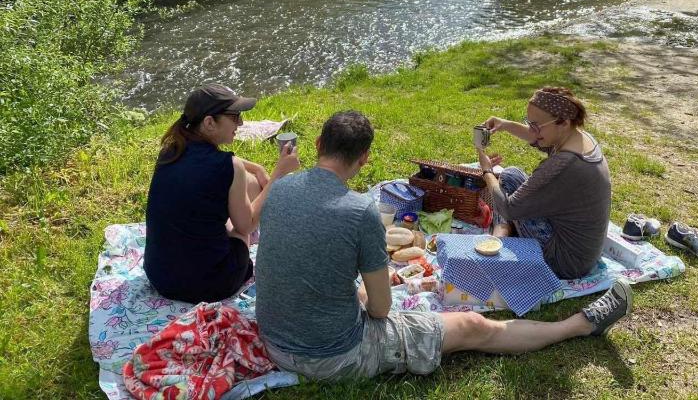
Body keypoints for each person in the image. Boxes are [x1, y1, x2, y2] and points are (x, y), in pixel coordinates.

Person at [256, 110, 632, 381]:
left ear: (318, 144)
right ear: (365, 158)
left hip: (274, 338)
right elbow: (381, 309)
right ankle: (580, 325)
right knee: (472, 325)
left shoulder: (281, 188)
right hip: (331, 357)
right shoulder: (359, 212)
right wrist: (368, 295)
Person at [144, 83, 299, 303]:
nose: (241, 123)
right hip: (212, 285)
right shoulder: (228, 166)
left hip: (161, 277)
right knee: (241, 225)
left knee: (246, 184)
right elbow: (246, 226)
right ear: (209, 123)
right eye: (235, 117)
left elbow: (231, 163)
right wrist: (278, 174)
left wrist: (256, 168)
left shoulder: (171, 150)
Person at [477, 86, 611, 279]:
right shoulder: (579, 138)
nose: (532, 130)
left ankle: (500, 237)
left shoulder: (562, 166)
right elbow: (537, 137)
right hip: (583, 253)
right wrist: (505, 124)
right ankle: (502, 232)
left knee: (504, 187)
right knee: (511, 175)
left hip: (564, 263)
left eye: (536, 125)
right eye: (530, 123)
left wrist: (487, 171)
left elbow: (508, 208)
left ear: (563, 122)